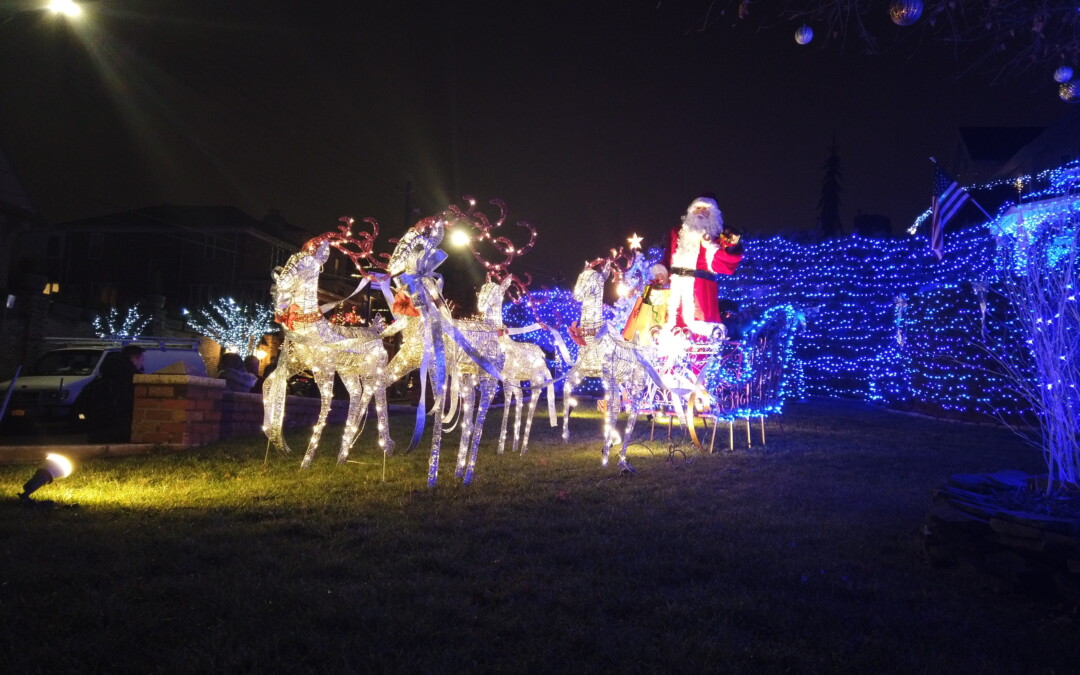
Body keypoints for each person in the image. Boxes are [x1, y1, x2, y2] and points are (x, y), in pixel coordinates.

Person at [664, 196, 744, 336]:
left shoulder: (717, 234)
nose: (700, 212)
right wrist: (661, 271)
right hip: (676, 284)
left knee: (699, 323)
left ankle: (700, 354)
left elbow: (724, 264)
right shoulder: (677, 232)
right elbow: (667, 257)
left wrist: (713, 245)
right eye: (698, 208)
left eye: (706, 209)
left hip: (701, 286)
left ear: (713, 214)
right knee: (672, 319)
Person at [84, 344, 146, 444]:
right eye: (142, 360)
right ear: (135, 358)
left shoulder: (105, 374)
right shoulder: (130, 377)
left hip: (98, 425)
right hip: (118, 425)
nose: (142, 363)